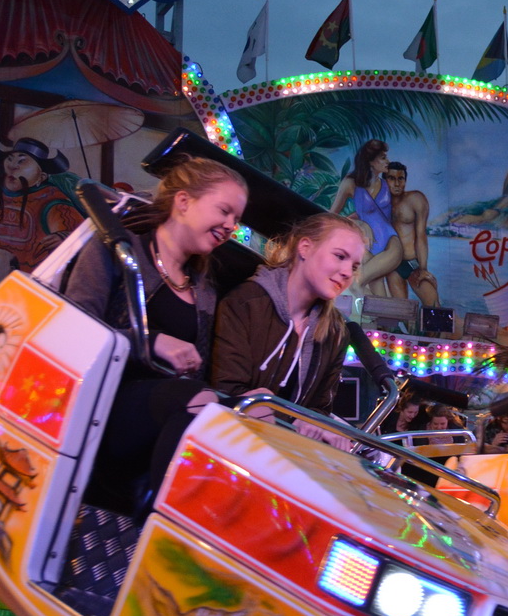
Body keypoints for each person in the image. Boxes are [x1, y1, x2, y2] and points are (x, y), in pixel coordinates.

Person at [63, 157, 249, 514]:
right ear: (183, 201)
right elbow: (74, 330)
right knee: (194, 401)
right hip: (96, 409)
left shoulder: (203, 287)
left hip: (158, 419)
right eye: (224, 211)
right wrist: (149, 342)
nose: (230, 226)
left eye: (236, 220)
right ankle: (165, 521)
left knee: (224, 413)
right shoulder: (118, 250)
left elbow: (200, 374)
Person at [211, 212, 363, 448]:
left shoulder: (335, 332)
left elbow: (320, 408)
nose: (347, 272)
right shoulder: (246, 302)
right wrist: (297, 420)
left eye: (354, 266)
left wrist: (319, 424)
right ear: (305, 248)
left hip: (284, 452)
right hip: (227, 441)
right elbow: (226, 390)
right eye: (339, 256)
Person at [0, 138, 83, 282]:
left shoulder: (52, 202)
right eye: (10, 159)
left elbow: (78, 233)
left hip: (29, 280)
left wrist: (62, 238)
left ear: (42, 176)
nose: (12, 166)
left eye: (22, 161)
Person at [329, 139, 406, 299]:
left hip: (391, 245)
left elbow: (378, 214)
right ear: (371, 161)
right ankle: (382, 324)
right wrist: (358, 223)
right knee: (379, 299)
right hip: (367, 248)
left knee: (357, 283)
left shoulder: (387, 184)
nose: (388, 161)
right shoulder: (351, 184)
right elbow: (331, 217)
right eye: (383, 157)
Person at [385, 162, 439, 306]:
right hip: (392, 265)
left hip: (413, 264)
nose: (397, 183)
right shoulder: (381, 204)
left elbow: (421, 235)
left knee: (435, 308)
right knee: (402, 312)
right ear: (385, 180)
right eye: (391, 178)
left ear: (405, 180)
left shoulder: (416, 199)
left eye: (400, 179)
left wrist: (423, 269)